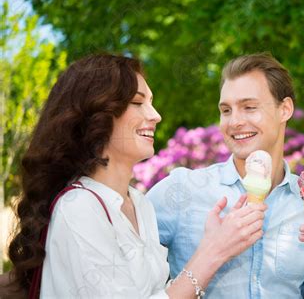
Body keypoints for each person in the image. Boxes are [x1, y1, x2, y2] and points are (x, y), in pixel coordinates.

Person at [4, 54, 266, 298]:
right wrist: (213, 252)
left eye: (150, 103)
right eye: (138, 103)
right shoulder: (79, 208)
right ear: (98, 114)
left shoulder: (140, 205)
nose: (156, 116)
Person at [147, 53, 304, 298]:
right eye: (226, 110)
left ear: (284, 109)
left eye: (249, 107)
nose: (235, 122)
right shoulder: (182, 189)